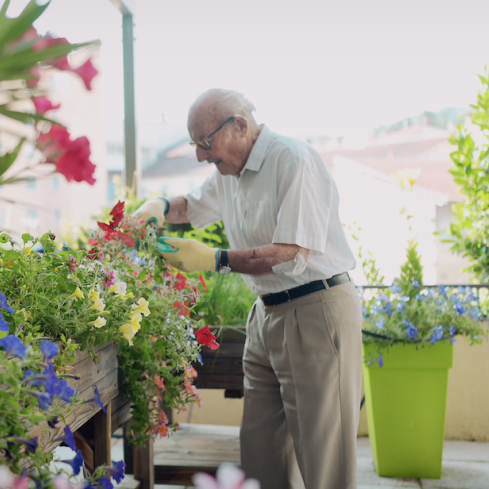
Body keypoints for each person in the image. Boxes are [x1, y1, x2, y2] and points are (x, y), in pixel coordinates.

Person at [133, 89, 362, 489]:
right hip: (266, 314)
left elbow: (290, 251)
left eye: (206, 143)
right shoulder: (229, 173)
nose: (202, 156)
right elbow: (189, 206)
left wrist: (217, 259)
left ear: (240, 125)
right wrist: (158, 205)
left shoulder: (292, 159)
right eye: (195, 145)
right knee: (261, 456)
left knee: (325, 465)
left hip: (316, 310)